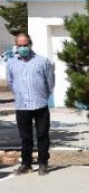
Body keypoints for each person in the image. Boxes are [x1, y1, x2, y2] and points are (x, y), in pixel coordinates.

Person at [6, 32, 55, 176]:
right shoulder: (11, 63)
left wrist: (44, 96)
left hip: (40, 104)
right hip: (22, 106)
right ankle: (26, 163)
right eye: (19, 45)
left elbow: (50, 82)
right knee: (25, 137)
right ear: (16, 46)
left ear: (30, 44)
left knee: (42, 135)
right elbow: (10, 83)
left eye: (25, 45)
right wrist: (20, 95)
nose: (22, 48)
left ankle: (42, 163)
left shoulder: (42, 61)